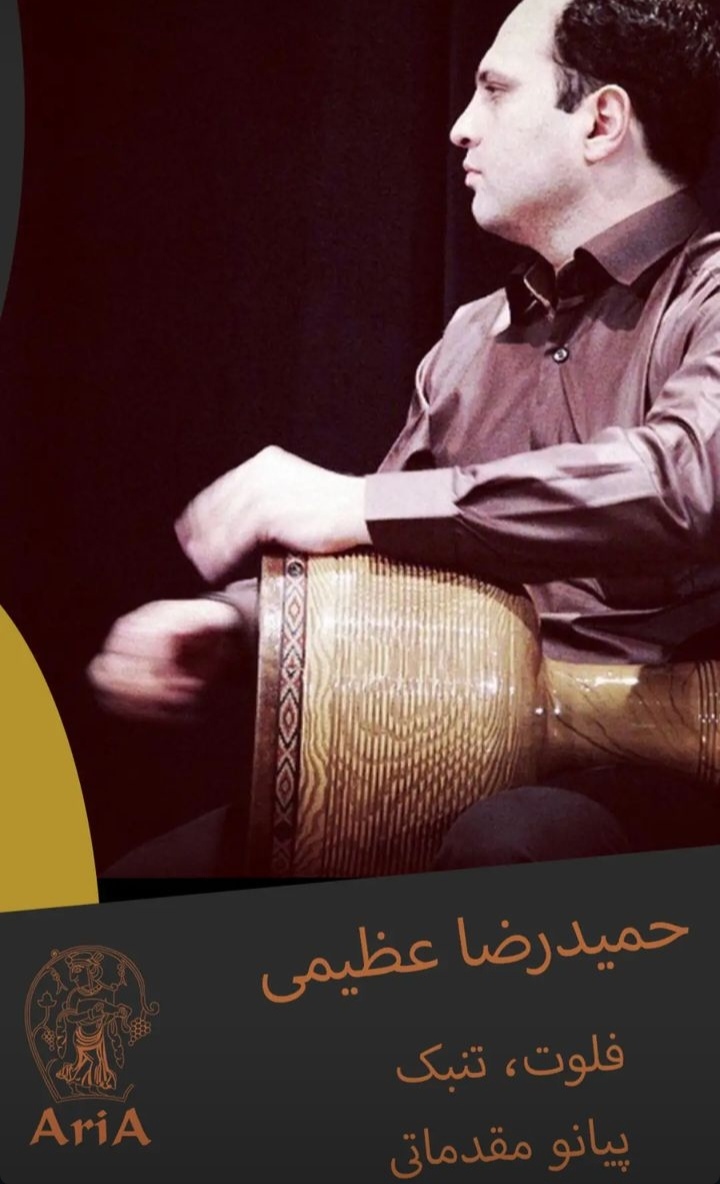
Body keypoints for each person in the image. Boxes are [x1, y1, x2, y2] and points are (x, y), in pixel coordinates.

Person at [90, 0, 720, 875]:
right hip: (447, 744)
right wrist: (234, 623)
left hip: (661, 764)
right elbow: (381, 577)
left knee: (511, 846)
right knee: (140, 890)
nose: (461, 127)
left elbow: (687, 482)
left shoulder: (708, 297)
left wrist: (358, 503)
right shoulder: (468, 338)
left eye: (495, 90)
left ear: (601, 122)